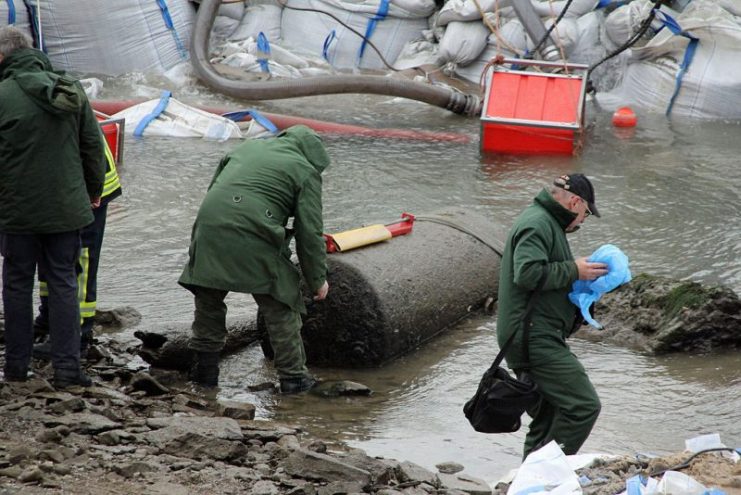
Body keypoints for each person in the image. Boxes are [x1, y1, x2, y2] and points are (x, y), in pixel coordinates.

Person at [179, 125, 330, 394]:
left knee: (208, 302)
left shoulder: (245, 148)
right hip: (254, 232)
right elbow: (310, 232)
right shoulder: (305, 171)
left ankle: (204, 376)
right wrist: (317, 279)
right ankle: (294, 379)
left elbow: (216, 191)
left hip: (209, 229)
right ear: (315, 157)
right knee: (281, 303)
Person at [0, 25, 106, 387]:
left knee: (16, 284)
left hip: (16, 211)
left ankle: (15, 368)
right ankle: (68, 368)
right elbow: (92, 145)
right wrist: (93, 191)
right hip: (66, 208)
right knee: (63, 281)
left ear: (3, 57)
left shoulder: (2, 94)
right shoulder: (69, 88)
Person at [496, 173, 608, 459]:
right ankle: (547, 474)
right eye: (585, 212)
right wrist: (574, 270)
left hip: (531, 332)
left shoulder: (547, 221)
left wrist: (579, 279)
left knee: (549, 414)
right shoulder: (538, 223)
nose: (583, 219)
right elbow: (528, 273)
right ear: (574, 202)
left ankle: (527, 483)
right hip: (533, 335)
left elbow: (543, 272)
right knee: (583, 405)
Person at [33, 139, 122, 358]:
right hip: (65, 183)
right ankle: (48, 319)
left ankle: (79, 333)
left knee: (81, 256)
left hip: (88, 185)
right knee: (49, 251)